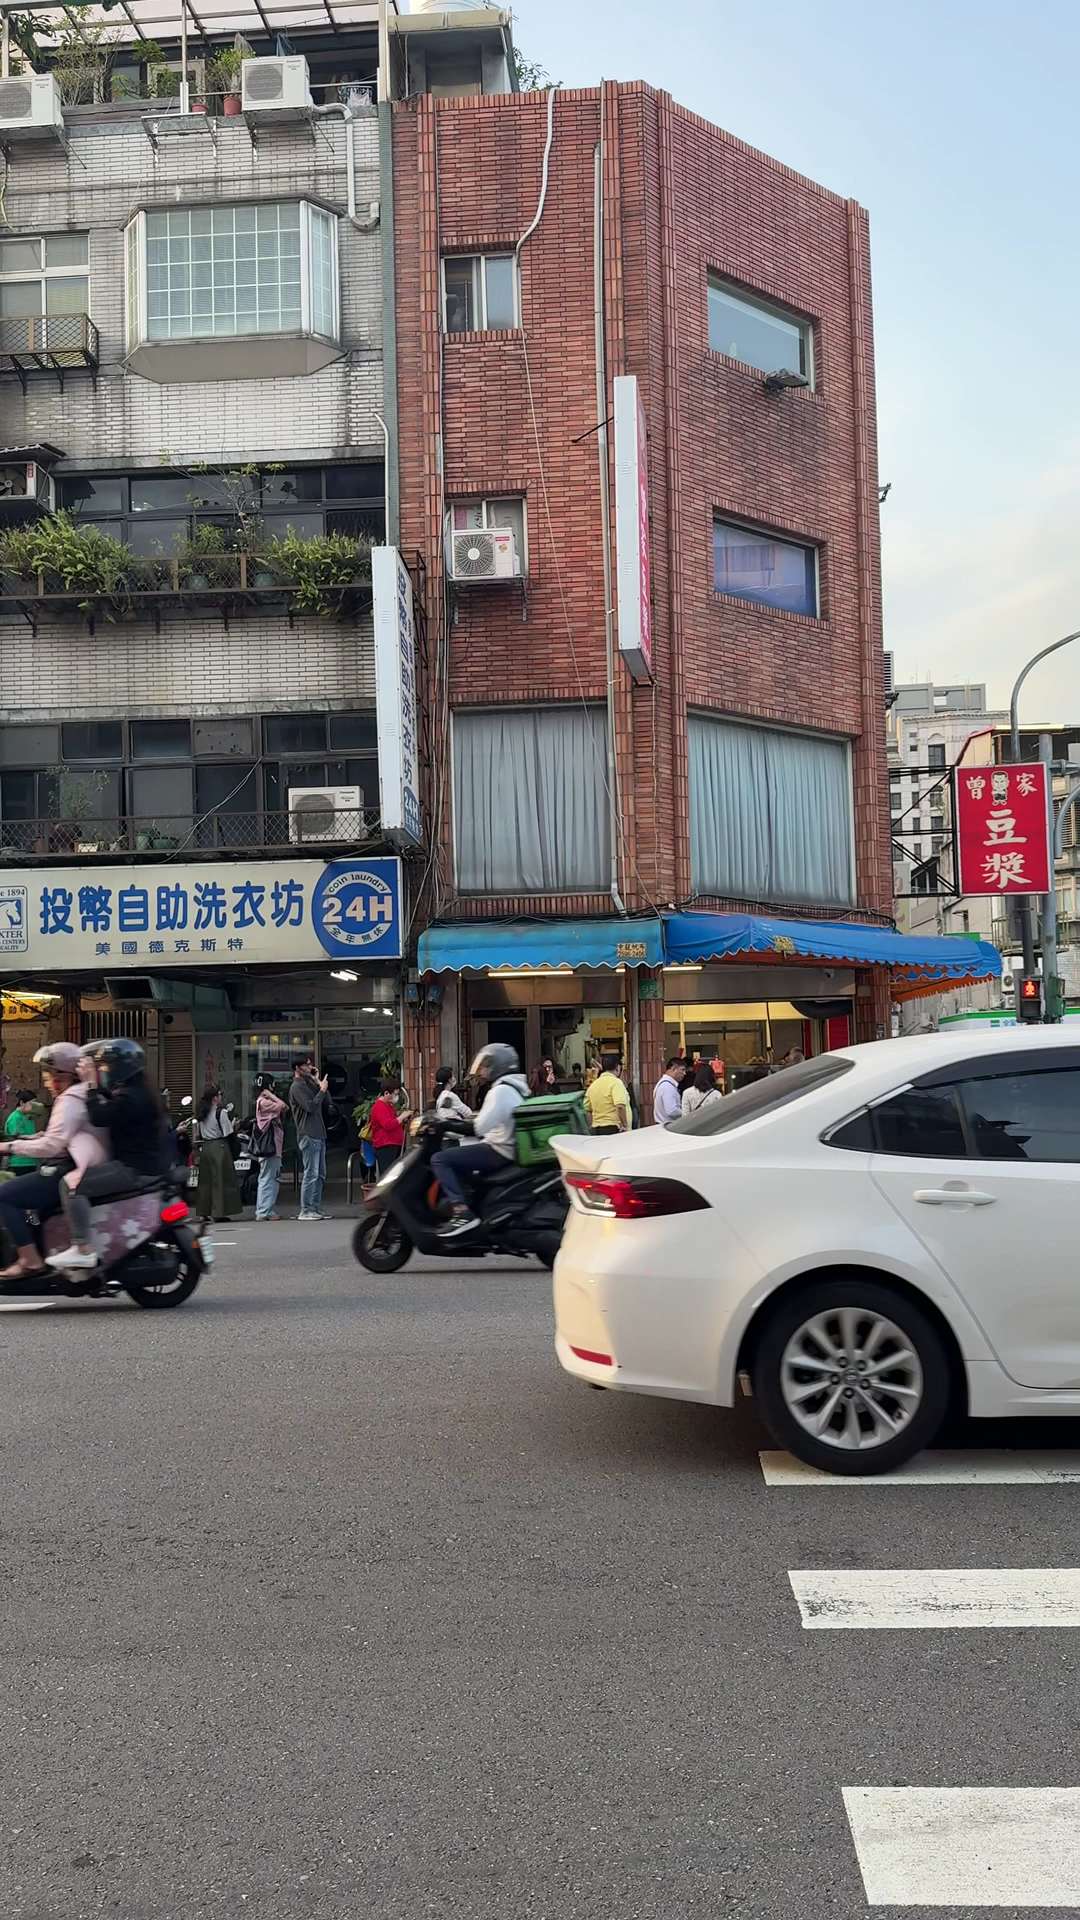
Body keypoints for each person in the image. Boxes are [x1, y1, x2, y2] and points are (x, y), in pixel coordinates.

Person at [45, 1038, 169, 1271]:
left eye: (106, 1066)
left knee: (72, 1185)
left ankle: (82, 1248)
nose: (103, 1070)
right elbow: (113, 1105)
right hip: (150, 1164)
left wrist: (90, 1085)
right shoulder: (141, 1091)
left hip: (134, 1168)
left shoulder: (131, 1096)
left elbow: (99, 1116)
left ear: (119, 1068)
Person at [0, 1043, 107, 1280]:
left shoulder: (70, 1100)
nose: (46, 1081)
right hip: (80, 1165)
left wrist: (8, 1147)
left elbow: (52, 1145)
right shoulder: (84, 1094)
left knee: (5, 1196)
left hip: (70, 1169)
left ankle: (29, 1260)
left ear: (63, 1075)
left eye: (49, 1075)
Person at [431, 1043, 530, 1237]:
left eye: (486, 1066)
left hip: (498, 1149)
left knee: (440, 1159)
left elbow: (478, 1128)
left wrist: (445, 1124)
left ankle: (462, 1212)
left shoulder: (500, 1091)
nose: (482, 1071)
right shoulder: (515, 1087)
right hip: (506, 1147)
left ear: (498, 1066)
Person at [193, 1085, 241, 1226]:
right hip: (219, 1146)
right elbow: (228, 1132)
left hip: (206, 1147)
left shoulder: (201, 1112)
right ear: (215, 1098)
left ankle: (203, 1212)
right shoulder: (221, 1113)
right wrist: (234, 1125)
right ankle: (218, 1212)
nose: (221, 1097)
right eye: (220, 1095)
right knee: (220, 1180)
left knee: (205, 1181)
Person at [289, 1057, 330, 1221]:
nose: (310, 1067)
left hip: (318, 1132)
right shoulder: (297, 1087)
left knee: (320, 1174)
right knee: (311, 1173)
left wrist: (318, 1082)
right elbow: (310, 1107)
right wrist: (321, 1090)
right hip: (308, 1133)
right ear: (298, 1068)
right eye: (306, 1065)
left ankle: (316, 1208)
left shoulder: (308, 1084)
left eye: (310, 1064)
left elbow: (326, 1101)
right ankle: (306, 1209)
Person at [253, 1072, 288, 1222]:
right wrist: (270, 1095)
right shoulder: (264, 1102)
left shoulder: (262, 1101)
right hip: (270, 1147)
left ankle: (265, 1209)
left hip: (273, 1147)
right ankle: (264, 1211)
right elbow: (284, 1106)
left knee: (269, 1178)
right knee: (268, 1178)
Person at [369, 1075, 408, 1178]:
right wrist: (402, 1117)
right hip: (385, 1145)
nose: (396, 1097)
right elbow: (387, 1125)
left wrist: (402, 1121)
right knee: (387, 1176)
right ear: (386, 1093)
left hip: (392, 1144)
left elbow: (393, 1122)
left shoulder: (388, 1106)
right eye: (395, 1094)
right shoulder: (380, 1106)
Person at [584, 1052, 631, 1135]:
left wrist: (591, 1126)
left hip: (596, 1128)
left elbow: (587, 1110)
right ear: (618, 1067)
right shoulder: (616, 1083)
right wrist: (624, 1125)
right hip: (614, 1128)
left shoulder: (593, 1085)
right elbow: (620, 1106)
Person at [4, 1090, 41, 1172]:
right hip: (18, 1162)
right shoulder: (15, 1117)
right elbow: (15, 1137)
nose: (34, 1107)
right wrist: (35, 1136)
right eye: (32, 1103)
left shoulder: (29, 1118)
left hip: (30, 1160)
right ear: (22, 1103)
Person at [653, 1056, 684, 1126]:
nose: (684, 1073)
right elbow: (671, 1111)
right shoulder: (667, 1087)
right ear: (674, 1069)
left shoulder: (664, 1084)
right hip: (667, 1125)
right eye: (682, 1070)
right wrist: (687, 1112)